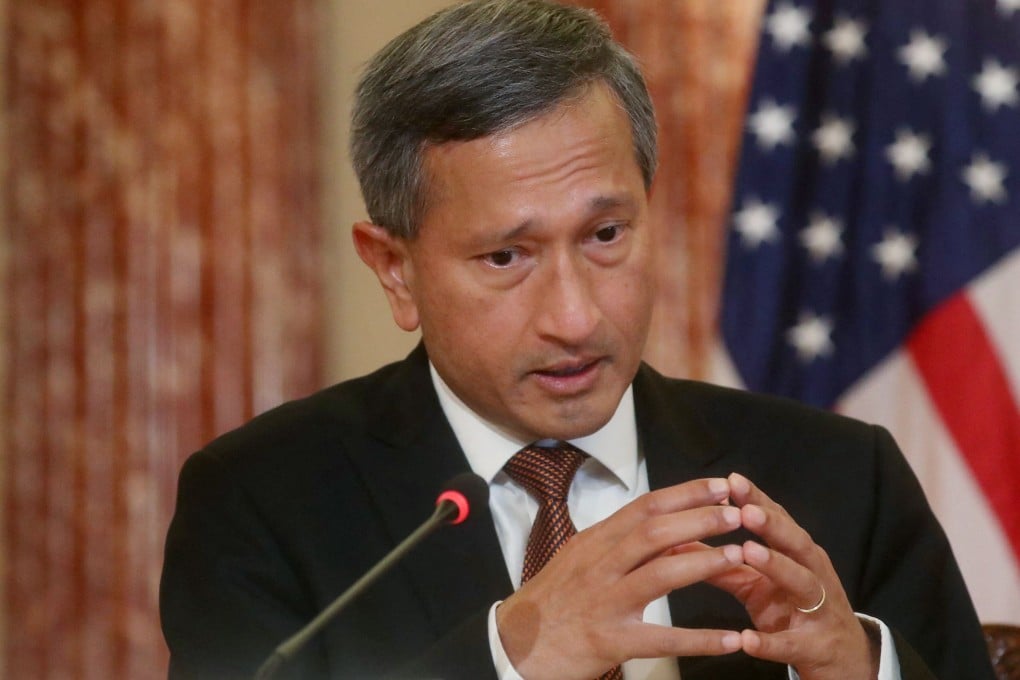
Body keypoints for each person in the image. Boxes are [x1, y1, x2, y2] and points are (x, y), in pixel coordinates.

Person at [160, 1, 995, 678]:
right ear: (395, 270)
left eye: (605, 236)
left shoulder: (842, 479)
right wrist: (511, 661)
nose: (576, 317)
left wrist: (859, 670)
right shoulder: (263, 502)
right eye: (505, 256)